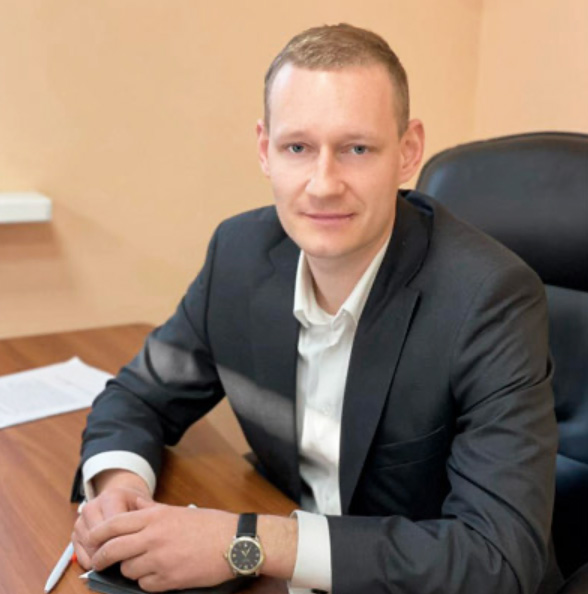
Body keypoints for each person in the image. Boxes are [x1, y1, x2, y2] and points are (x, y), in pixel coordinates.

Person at [71, 24, 561, 594]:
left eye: (357, 149)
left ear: (408, 151)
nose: (323, 184)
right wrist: (118, 491)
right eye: (298, 148)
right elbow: (139, 394)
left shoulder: (490, 298)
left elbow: (498, 559)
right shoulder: (239, 254)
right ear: (265, 150)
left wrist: (249, 541)